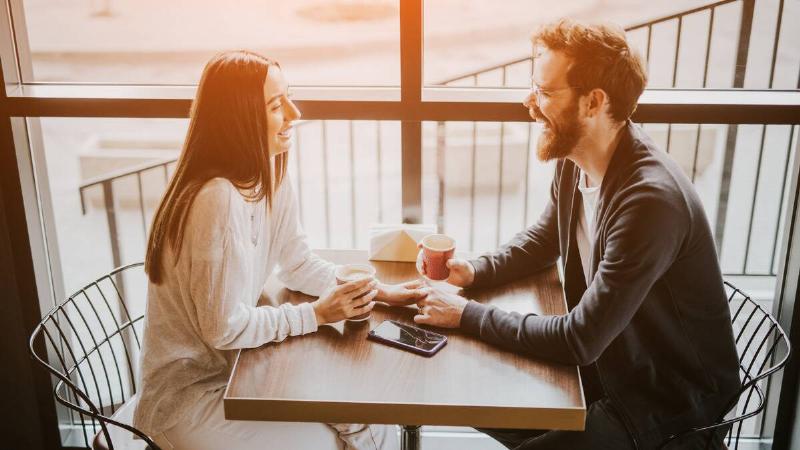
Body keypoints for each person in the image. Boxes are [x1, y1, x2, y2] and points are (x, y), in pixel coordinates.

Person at [415, 19, 741, 450]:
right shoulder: (579, 158)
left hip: (663, 398)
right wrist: (472, 272)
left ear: (593, 102)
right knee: (469, 391)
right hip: (613, 364)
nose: (529, 102)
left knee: (484, 387)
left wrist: (464, 315)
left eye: (546, 92)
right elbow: (544, 239)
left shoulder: (649, 203)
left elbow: (579, 338)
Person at [133, 50, 423, 450]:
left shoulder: (270, 170)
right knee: (349, 433)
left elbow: (298, 262)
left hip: (240, 375)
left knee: (362, 418)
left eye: (289, 96)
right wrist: (317, 314)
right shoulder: (215, 199)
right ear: (240, 118)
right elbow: (224, 328)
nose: (294, 113)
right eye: (275, 105)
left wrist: (375, 292)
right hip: (190, 401)